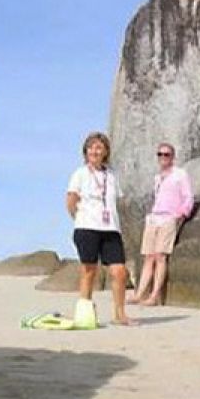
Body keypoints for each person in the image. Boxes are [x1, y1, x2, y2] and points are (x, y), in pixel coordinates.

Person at [65, 131, 133, 326]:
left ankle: (120, 314)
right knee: (89, 270)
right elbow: (71, 200)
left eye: (99, 147)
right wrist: (80, 218)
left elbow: (116, 199)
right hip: (87, 227)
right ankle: (84, 311)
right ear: (86, 151)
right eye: (92, 147)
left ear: (105, 152)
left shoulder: (111, 176)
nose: (95, 151)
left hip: (110, 228)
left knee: (119, 271)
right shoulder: (80, 174)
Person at [130, 143, 194, 306]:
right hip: (154, 217)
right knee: (148, 257)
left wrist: (181, 214)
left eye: (166, 154)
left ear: (172, 157)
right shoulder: (157, 177)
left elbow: (188, 196)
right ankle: (139, 294)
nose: (163, 157)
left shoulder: (180, 174)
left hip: (169, 218)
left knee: (160, 256)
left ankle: (154, 296)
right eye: (160, 154)